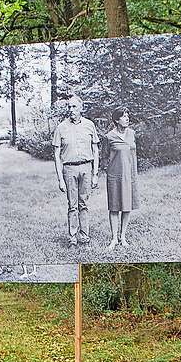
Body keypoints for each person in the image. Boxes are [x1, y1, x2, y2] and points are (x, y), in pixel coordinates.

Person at [52, 95, 100, 246]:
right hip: (69, 169)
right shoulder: (61, 128)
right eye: (69, 107)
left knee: (83, 203)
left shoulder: (89, 125)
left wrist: (95, 174)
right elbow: (56, 155)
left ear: (81, 108)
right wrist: (60, 179)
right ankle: (72, 238)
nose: (71, 110)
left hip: (86, 167)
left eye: (74, 107)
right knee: (72, 205)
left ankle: (84, 237)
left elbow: (95, 150)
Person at [103, 108, 140, 248]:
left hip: (129, 176)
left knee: (127, 207)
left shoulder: (132, 134)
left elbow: (133, 154)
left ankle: (123, 237)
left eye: (127, 115)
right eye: (123, 116)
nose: (127, 118)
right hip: (114, 176)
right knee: (114, 207)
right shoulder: (109, 136)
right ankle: (114, 238)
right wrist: (110, 170)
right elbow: (104, 157)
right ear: (116, 120)